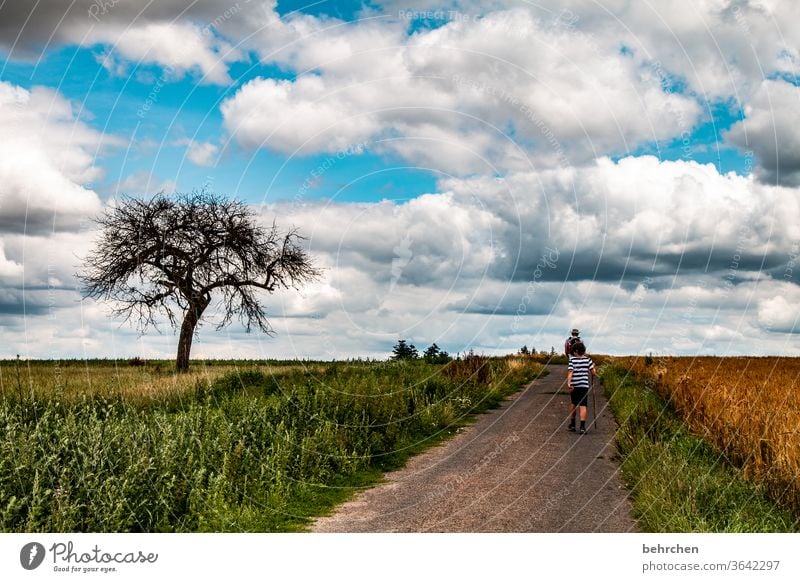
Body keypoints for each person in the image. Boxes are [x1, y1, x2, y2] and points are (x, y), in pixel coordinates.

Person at [566, 341, 595, 434]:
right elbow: (593, 373)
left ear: (576, 351)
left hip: (574, 386)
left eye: (573, 351)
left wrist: (569, 383)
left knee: (573, 404)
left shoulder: (572, 360)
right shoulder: (588, 360)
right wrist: (593, 367)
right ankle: (582, 427)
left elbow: (571, 372)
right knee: (583, 405)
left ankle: (573, 424)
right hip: (583, 386)